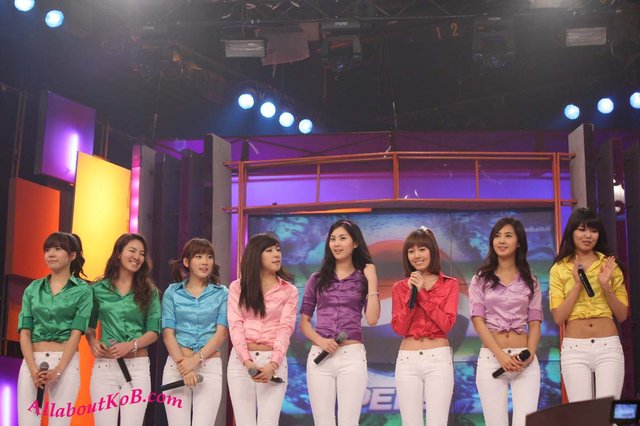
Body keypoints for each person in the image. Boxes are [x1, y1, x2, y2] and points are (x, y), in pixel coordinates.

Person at [300, 219, 380, 426]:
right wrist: (321, 341)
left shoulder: (363, 278)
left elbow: (372, 319)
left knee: (349, 421)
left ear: (355, 243)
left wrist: (372, 280)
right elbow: (304, 323)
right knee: (323, 421)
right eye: (333, 239)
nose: (336, 243)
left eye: (342, 238)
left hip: (352, 356)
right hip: (321, 355)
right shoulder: (317, 279)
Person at [469, 217, 542, 426]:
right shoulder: (480, 279)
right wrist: (501, 356)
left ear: (518, 242)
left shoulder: (531, 280)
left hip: (525, 361)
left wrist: (530, 354)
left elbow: (535, 323)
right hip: (492, 360)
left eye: (508, 236)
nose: (502, 240)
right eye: (497, 236)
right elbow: (478, 321)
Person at [550, 207, 628, 402]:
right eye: (582, 229)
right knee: (581, 413)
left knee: (607, 412)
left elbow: (622, 315)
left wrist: (606, 287)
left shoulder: (610, 265)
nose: (588, 235)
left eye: (593, 231)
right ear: (572, 232)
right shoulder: (559, 268)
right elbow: (559, 318)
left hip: (608, 346)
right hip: (575, 348)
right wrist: (577, 285)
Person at [17, 232, 92, 426]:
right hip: (32, 361)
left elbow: (76, 333)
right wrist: (33, 369)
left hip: (65, 363)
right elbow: (25, 331)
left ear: (72, 255)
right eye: (47, 250)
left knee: (60, 422)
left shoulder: (83, 291)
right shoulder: (33, 289)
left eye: (58, 249)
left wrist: (58, 371)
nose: (51, 254)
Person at [86, 233, 161, 425]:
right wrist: (92, 342)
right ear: (119, 253)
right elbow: (89, 326)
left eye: (142, 253)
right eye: (132, 251)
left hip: (137, 368)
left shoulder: (149, 291)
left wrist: (131, 345)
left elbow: (154, 332)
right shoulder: (98, 289)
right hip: (105, 367)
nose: (137, 257)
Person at [227, 233, 298, 426]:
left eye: (278, 250)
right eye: (269, 250)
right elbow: (235, 326)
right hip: (241, 363)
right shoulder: (237, 287)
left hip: (273, 363)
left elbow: (285, 328)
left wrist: (272, 365)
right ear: (256, 255)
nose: (276, 254)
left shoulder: (289, 291)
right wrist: (248, 362)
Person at [391, 226, 459, 426]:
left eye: (422, 249)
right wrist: (411, 293)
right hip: (407, 360)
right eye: (411, 251)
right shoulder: (399, 287)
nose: (416, 255)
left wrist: (422, 293)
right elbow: (399, 328)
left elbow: (446, 324)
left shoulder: (449, 284)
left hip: (438, 360)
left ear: (432, 251)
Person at [162, 238, 229, 425]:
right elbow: (168, 334)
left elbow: (222, 333)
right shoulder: (172, 292)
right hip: (177, 366)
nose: (205, 262)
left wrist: (195, 360)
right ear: (186, 262)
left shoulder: (222, 293)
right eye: (199, 257)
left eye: (209, 257)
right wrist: (183, 365)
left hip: (209, 366)